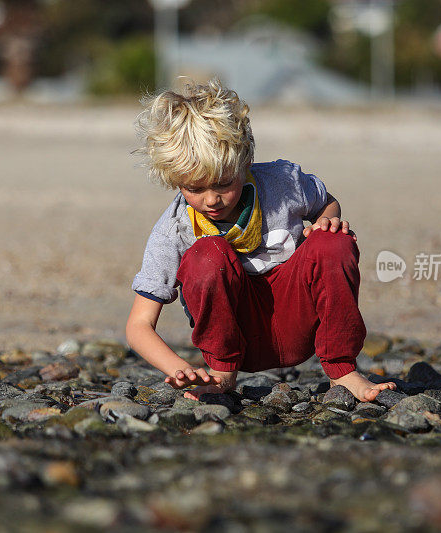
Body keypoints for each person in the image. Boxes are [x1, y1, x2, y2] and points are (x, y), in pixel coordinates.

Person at [125, 79, 396, 402]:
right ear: (175, 180)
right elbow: (138, 325)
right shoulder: (174, 229)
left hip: (299, 320)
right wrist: (179, 367)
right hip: (238, 341)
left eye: (223, 184)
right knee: (206, 255)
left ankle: (342, 370)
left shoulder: (282, 183)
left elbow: (327, 203)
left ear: (245, 161)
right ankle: (222, 374)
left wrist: (326, 221)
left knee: (333, 241)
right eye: (195, 189)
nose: (212, 200)